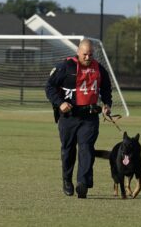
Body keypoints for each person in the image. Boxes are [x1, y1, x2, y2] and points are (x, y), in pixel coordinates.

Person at [45, 39, 112, 198]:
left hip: (89, 117)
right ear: (78, 52)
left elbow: (106, 90)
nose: (88, 57)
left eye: (90, 54)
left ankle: (82, 184)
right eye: (84, 54)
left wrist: (107, 105)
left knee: (86, 148)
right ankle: (67, 180)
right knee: (68, 150)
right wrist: (60, 103)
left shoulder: (100, 69)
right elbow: (49, 87)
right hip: (68, 117)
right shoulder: (65, 67)